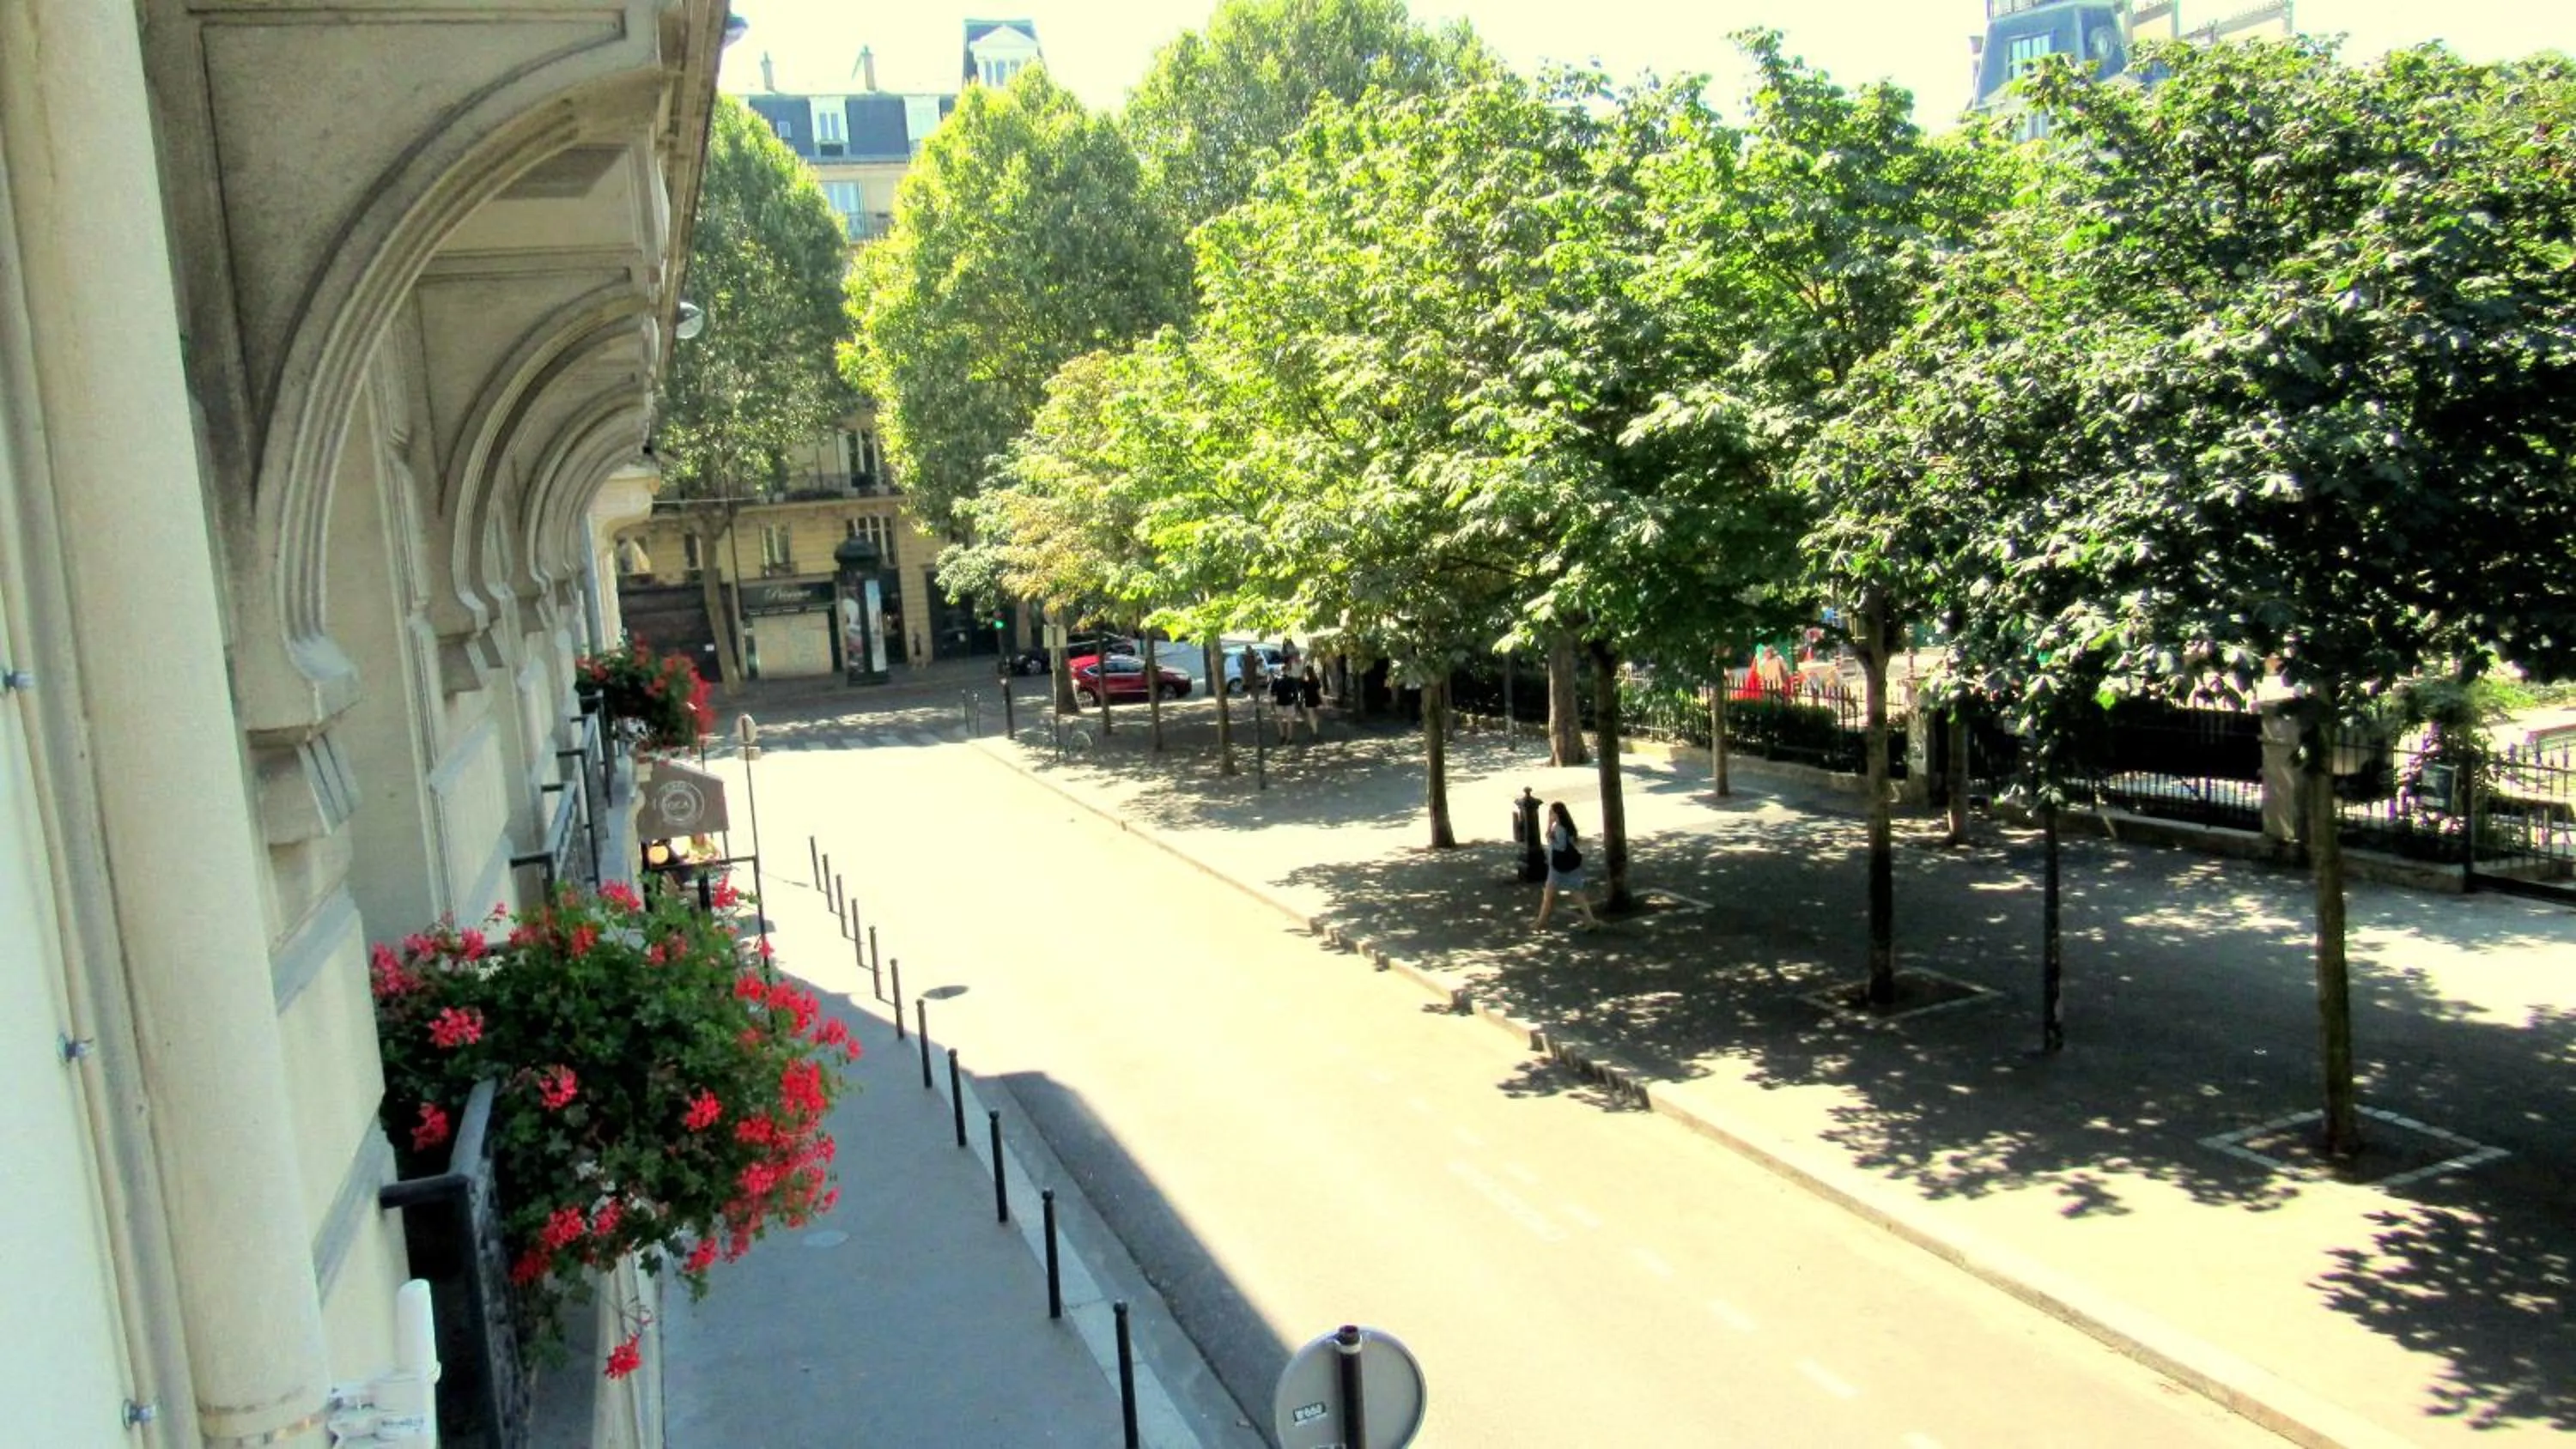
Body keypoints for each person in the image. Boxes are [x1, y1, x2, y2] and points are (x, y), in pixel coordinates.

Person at [1533, 802, 1600, 931]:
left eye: (1551, 813)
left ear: (1557, 814)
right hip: (1569, 866)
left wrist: (1549, 835)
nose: (1549, 816)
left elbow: (1560, 847)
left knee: (1549, 896)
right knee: (1575, 894)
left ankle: (1540, 923)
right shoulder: (1566, 827)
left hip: (1558, 867)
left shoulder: (1559, 828)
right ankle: (1591, 921)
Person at [1297, 663, 1323, 740]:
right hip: (1316, 699)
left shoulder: (1304, 682)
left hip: (1308, 700)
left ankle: (1315, 732)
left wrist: (1300, 701)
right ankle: (1315, 731)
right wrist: (1322, 700)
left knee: (1311, 717)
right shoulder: (1316, 680)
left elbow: (1302, 692)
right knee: (1315, 716)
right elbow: (1319, 691)